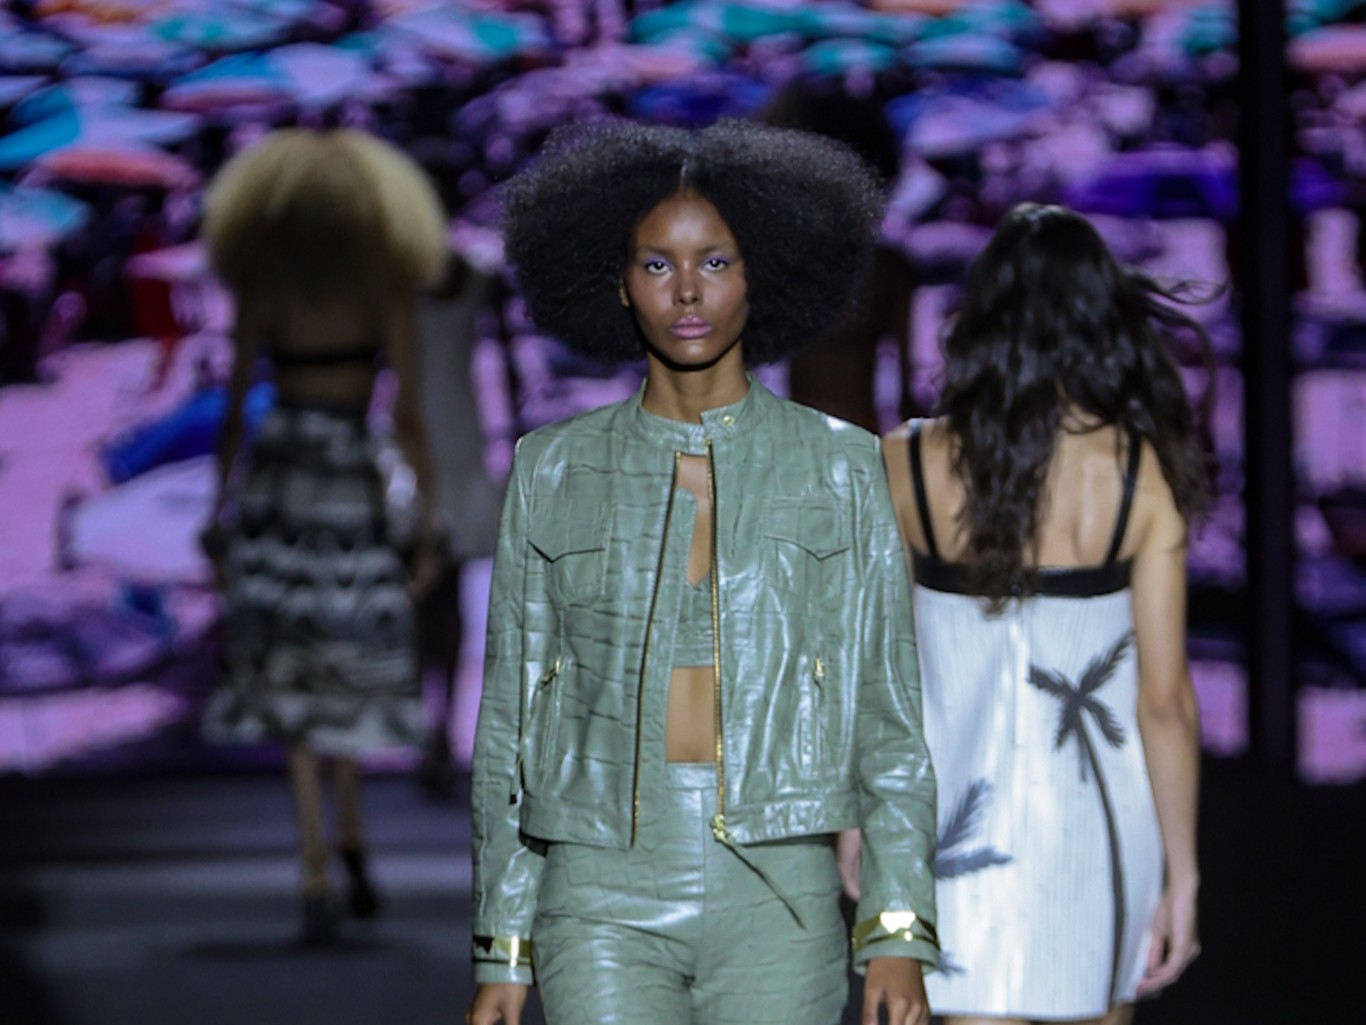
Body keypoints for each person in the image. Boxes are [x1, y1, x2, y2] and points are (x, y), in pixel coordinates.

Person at [468, 118, 938, 1025]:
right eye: (657, 264)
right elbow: (509, 727)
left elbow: (889, 716)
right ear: (618, 282)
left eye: (715, 262)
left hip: (781, 885)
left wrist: (895, 926)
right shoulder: (553, 467)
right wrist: (503, 943)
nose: (687, 290)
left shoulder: (841, 466)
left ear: (759, 272)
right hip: (598, 884)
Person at [879, 203, 1205, 1025]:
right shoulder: (1139, 476)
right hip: (1099, 827)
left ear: (982, 316)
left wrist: (862, 829)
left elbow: (876, 673)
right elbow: (1164, 701)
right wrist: (1183, 869)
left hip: (950, 828)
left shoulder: (904, 463)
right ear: (1100, 319)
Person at [199, 128, 448, 945]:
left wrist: (217, 510)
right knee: (348, 657)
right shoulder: (383, 287)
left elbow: (234, 408)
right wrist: (428, 517)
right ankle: (349, 831)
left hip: (283, 481)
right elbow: (408, 414)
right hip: (350, 480)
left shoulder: (265, 289)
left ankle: (315, 859)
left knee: (295, 664)